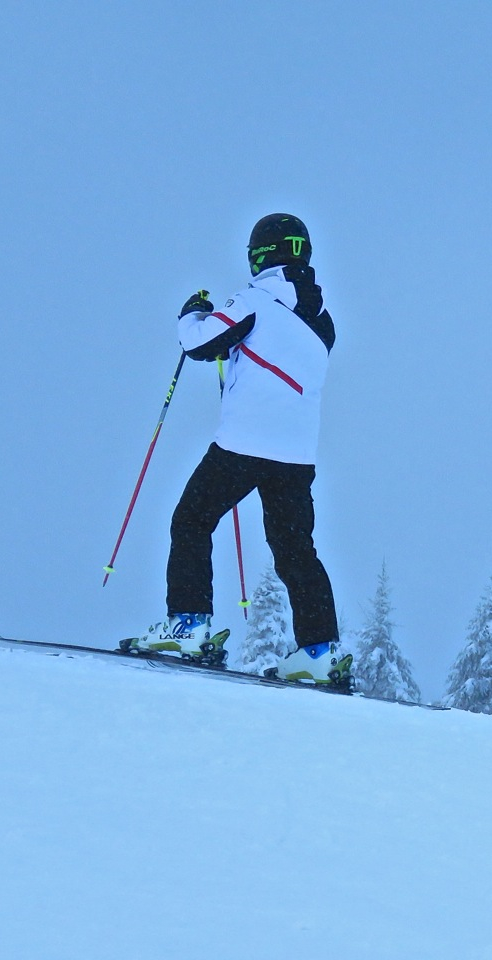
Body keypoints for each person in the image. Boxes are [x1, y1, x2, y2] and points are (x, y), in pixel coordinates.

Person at [133, 213, 351, 685]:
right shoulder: (323, 321)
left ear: (259, 255)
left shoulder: (254, 300)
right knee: (295, 549)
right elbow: (266, 350)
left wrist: (192, 312)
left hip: (245, 443)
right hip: (296, 453)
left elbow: (199, 343)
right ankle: (319, 650)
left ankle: (188, 625)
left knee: (192, 520)